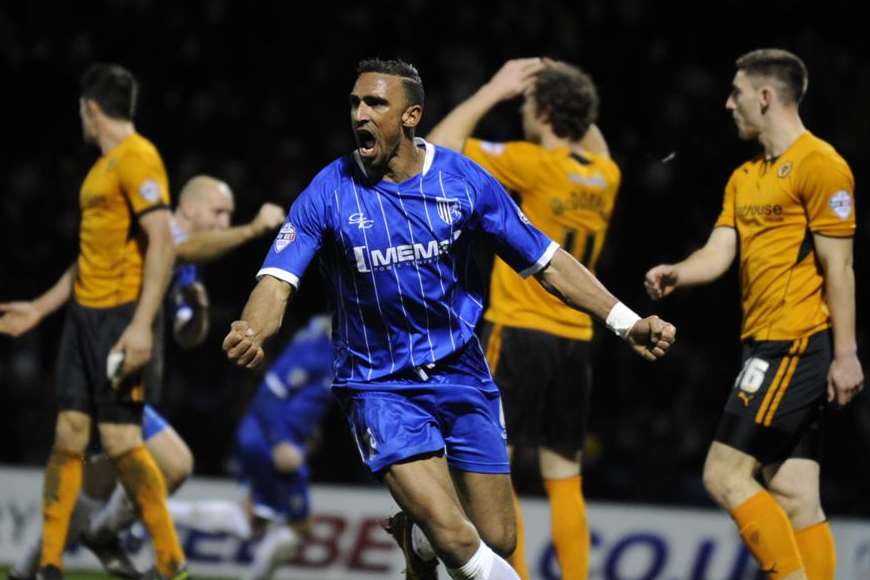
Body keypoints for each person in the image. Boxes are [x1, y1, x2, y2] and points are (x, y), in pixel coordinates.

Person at [223, 58, 675, 580]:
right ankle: (432, 532)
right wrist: (253, 326)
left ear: (411, 115)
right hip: (377, 386)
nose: (360, 115)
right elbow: (277, 280)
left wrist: (626, 322)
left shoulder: (464, 182)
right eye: (355, 103)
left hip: (461, 374)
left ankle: (416, 539)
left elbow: (546, 261)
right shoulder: (328, 191)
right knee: (460, 540)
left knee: (498, 538)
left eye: (376, 103)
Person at [644, 49, 863, 580]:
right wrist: (679, 271)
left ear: (765, 96)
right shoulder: (745, 177)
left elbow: (841, 268)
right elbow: (719, 253)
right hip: (764, 344)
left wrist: (847, 354)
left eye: (736, 92)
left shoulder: (822, 165)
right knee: (794, 493)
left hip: (793, 343)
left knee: (723, 475)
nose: (728, 103)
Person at [3, 175, 286, 579]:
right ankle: (103, 535)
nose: (224, 222)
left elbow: (187, 335)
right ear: (188, 208)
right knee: (176, 464)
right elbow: (156, 253)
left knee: (92, 488)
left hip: (124, 378)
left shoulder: (186, 265)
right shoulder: (159, 232)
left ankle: (25, 571)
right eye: (218, 212)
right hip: (101, 371)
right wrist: (255, 228)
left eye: (230, 215)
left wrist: (199, 312)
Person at [427, 58, 619, 580]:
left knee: (494, 464)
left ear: (546, 112)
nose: (521, 115)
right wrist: (569, 88)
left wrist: (494, 90)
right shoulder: (605, 175)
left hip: (518, 331)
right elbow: (590, 137)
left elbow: (438, 149)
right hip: (576, 339)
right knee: (565, 474)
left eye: (529, 107)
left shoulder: (531, 163)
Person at [0, 63, 187, 580]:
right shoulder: (102, 167)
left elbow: (163, 240)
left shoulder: (137, 157)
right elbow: (89, 256)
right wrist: (40, 307)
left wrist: (141, 325)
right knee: (68, 438)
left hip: (118, 318)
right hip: (82, 319)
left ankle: (172, 566)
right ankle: (51, 565)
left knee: (124, 444)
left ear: (91, 107)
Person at [168, 314, 333, 580]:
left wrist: (309, 432)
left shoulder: (331, 350)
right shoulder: (313, 349)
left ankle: (157, 510)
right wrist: (281, 442)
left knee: (251, 522)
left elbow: (304, 401)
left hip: (266, 437)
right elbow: (270, 391)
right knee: (298, 525)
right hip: (269, 441)